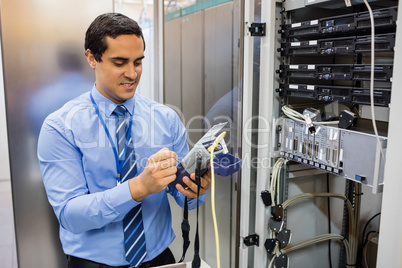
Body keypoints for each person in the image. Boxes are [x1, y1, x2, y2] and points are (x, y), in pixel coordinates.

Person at [37, 13, 211, 268]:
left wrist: (195, 189)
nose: (132, 73)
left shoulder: (165, 118)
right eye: (120, 62)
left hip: (159, 259)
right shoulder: (61, 127)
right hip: (93, 262)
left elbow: (184, 197)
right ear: (91, 58)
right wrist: (137, 189)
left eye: (138, 62)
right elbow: (70, 215)